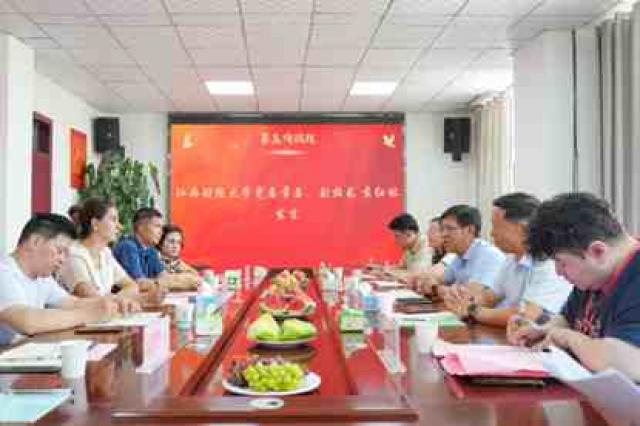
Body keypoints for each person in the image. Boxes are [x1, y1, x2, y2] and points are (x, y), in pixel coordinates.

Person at [507, 193, 640, 374]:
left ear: (598, 251)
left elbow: (627, 363)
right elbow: (567, 320)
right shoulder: (594, 275)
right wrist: (543, 331)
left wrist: (568, 338)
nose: (558, 272)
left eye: (561, 262)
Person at [0, 214, 137, 345]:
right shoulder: (4, 272)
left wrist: (113, 303)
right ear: (36, 242)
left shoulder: (42, 278)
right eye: (60, 251)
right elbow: (27, 322)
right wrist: (88, 314)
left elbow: (73, 303)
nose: (63, 260)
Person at [444, 193, 572, 327]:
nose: (492, 233)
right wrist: (462, 301)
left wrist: (472, 310)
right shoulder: (511, 259)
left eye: (496, 226)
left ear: (522, 228)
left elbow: (527, 316)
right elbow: (489, 297)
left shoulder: (550, 262)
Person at [412, 204, 505, 298]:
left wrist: (436, 289)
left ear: (470, 230)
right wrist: (433, 285)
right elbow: (437, 280)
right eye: (442, 229)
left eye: (450, 229)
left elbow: (469, 296)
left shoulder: (489, 255)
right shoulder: (460, 256)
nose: (443, 234)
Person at [59, 198, 145, 298]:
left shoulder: (105, 252)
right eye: (113, 220)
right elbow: (91, 298)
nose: (119, 226)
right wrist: (118, 298)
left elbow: (133, 286)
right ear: (95, 224)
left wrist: (113, 298)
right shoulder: (74, 254)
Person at [112, 207, 169, 293]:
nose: (161, 232)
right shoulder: (127, 246)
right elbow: (140, 283)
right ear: (140, 227)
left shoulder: (151, 250)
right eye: (157, 226)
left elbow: (164, 277)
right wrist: (181, 281)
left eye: (161, 228)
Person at [368, 213, 431, 282]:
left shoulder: (427, 245)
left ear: (408, 234)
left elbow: (415, 275)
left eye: (397, 236)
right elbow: (401, 267)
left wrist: (387, 273)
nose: (395, 240)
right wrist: (381, 269)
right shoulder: (409, 246)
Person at [157, 224, 200, 290]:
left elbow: (196, 279)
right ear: (160, 243)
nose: (175, 246)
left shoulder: (178, 263)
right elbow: (162, 281)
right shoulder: (153, 260)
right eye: (171, 241)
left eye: (178, 242)